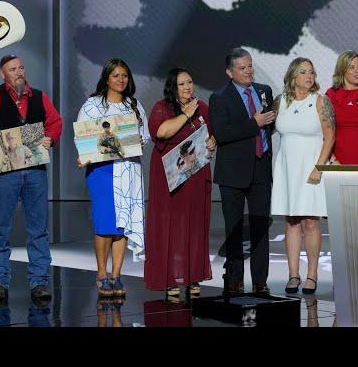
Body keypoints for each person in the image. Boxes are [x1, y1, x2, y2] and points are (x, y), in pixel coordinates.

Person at [0, 53, 62, 302]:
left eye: (21, 67)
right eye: (13, 69)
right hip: (4, 174)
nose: (19, 72)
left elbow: (54, 121)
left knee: (38, 230)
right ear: (3, 74)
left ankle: (39, 282)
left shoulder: (39, 96)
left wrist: (50, 137)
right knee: (0, 229)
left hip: (35, 172)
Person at [77, 58, 150, 298]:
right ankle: (101, 273)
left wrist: (138, 141)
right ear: (106, 78)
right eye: (116, 75)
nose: (121, 80)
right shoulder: (93, 105)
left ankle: (117, 274)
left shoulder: (135, 106)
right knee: (105, 222)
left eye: (125, 76)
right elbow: (84, 136)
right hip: (102, 171)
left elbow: (145, 136)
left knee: (122, 226)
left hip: (129, 169)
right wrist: (85, 154)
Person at [145, 67, 216, 299]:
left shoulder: (202, 107)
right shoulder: (161, 108)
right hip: (169, 178)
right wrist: (185, 114)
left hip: (196, 176)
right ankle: (170, 280)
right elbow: (162, 132)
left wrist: (212, 144)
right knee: (170, 227)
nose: (187, 87)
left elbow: (211, 135)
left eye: (190, 82)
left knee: (195, 226)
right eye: (182, 84)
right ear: (173, 88)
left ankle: (193, 275)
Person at [209, 48, 275, 294]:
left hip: (260, 168)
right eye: (242, 68)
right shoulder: (220, 97)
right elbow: (223, 134)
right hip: (233, 172)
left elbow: (270, 124)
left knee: (260, 228)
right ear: (230, 72)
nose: (248, 71)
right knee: (234, 229)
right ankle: (234, 279)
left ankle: (260, 281)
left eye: (250, 66)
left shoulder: (263, 91)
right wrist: (253, 124)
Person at [271, 57, 335, 295]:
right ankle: (293, 275)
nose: (309, 77)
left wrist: (319, 167)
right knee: (291, 221)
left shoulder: (320, 102)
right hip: (288, 168)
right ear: (293, 77)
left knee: (310, 221)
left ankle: (312, 275)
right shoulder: (280, 102)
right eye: (304, 72)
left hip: (312, 167)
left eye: (312, 72)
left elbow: (330, 137)